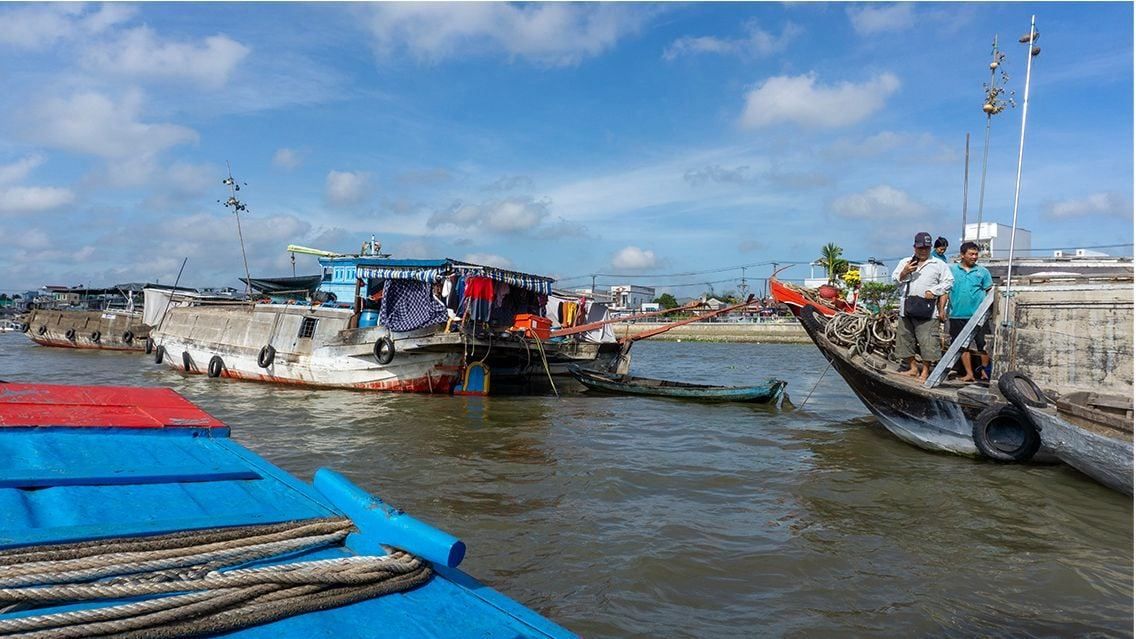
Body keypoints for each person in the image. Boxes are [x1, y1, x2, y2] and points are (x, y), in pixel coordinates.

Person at [892, 232, 954, 381]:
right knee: (905, 339)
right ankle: (913, 368)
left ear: (930, 247)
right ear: (914, 247)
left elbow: (949, 282)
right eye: (920, 248)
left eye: (926, 248)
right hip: (906, 308)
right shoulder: (905, 261)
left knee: (928, 341)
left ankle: (926, 371)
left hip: (928, 310)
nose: (923, 251)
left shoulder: (939, 264)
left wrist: (933, 291)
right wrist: (905, 272)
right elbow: (894, 280)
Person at [948, 241, 993, 382]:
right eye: (971, 254)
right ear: (962, 255)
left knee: (982, 345)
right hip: (957, 314)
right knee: (962, 346)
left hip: (979, 315)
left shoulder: (983, 272)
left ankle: (984, 372)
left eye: (976, 254)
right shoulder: (952, 270)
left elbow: (989, 291)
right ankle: (969, 374)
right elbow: (944, 289)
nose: (974, 257)